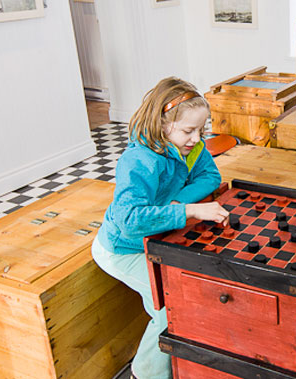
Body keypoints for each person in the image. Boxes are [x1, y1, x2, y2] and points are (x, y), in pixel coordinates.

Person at [92, 77, 228, 379]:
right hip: (123, 249)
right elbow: (129, 221)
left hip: (158, 240)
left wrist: (176, 204)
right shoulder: (138, 160)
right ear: (163, 124)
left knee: (175, 302)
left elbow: (210, 176)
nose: (196, 139)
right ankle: (144, 373)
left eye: (201, 130)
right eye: (188, 131)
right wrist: (186, 211)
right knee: (171, 307)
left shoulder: (191, 147)